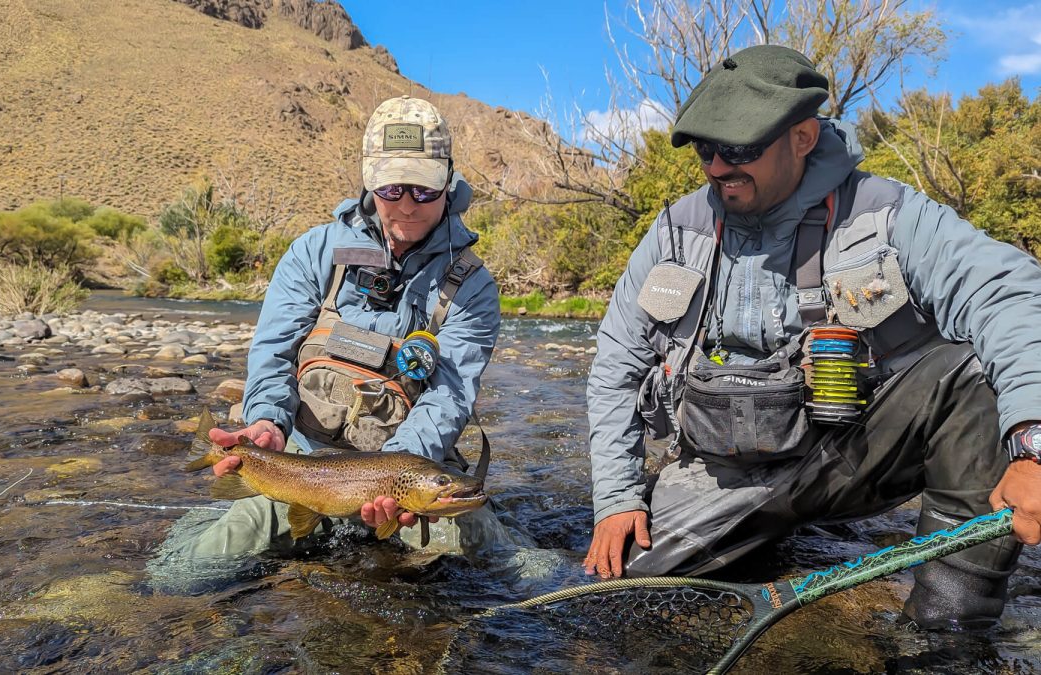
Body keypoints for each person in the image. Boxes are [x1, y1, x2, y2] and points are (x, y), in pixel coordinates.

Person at [582, 44, 1041, 630]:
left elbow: (1012, 295)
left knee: (971, 375)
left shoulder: (887, 213)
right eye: (705, 149)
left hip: (849, 456)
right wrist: (617, 499)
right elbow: (615, 367)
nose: (718, 167)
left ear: (802, 136)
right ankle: (759, 539)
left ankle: (946, 630)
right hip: (718, 476)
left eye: (741, 148)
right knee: (614, 602)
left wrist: (1032, 443)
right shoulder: (675, 231)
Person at [149, 96, 526, 585]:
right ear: (369, 181)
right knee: (185, 578)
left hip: (415, 464)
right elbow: (273, 355)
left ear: (448, 182)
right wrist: (267, 423)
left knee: (505, 573)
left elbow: (448, 397)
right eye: (392, 188)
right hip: (303, 466)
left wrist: (396, 475)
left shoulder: (472, 284)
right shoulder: (314, 253)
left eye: (424, 189)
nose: (407, 204)